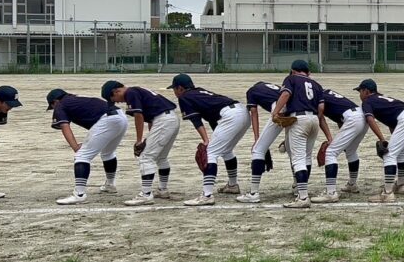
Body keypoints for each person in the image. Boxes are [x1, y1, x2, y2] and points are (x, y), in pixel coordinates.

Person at [169, 74, 250, 206]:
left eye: (174, 88)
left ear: (180, 88)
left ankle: (207, 195)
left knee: (211, 152)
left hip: (230, 116)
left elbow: (196, 121)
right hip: (242, 112)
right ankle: (233, 185)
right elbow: (213, 119)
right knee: (226, 150)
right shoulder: (199, 91)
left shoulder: (184, 97)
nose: (174, 92)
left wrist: (206, 141)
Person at [102, 81, 180, 206]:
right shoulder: (137, 90)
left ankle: (146, 194)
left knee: (145, 157)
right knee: (161, 157)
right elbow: (150, 117)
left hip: (163, 121)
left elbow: (139, 116)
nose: (118, 102)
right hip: (170, 119)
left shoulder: (130, 93)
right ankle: (162, 190)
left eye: (114, 99)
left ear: (117, 91)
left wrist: (139, 141)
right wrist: (149, 137)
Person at [49, 88, 128, 205]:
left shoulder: (60, 104)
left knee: (81, 156)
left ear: (55, 101)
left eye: (52, 106)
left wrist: (75, 147)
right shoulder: (76, 99)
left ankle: (79, 194)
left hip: (108, 120)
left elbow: (65, 127)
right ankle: (110, 185)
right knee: (108, 153)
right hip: (121, 116)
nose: (54, 109)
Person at [355, 79, 404, 203]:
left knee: (389, 154)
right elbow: (392, 121)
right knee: (401, 152)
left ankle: (387, 193)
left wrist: (381, 139)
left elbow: (370, 120)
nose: (360, 94)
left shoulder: (367, 101)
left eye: (360, 91)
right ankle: (400, 185)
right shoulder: (382, 97)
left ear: (366, 91)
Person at [269, 60, 323, 209]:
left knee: (298, 158)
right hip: (314, 119)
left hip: (299, 119)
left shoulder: (291, 78)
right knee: (306, 157)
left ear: (293, 71)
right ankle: (303, 191)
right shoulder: (317, 84)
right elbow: (321, 107)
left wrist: (275, 112)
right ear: (308, 72)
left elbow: (286, 94)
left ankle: (303, 196)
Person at [312, 88, 368, 202]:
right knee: (350, 151)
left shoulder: (314, 96)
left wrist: (330, 139)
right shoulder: (327, 92)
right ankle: (352, 184)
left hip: (352, 119)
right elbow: (339, 118)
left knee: (330, 152)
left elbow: (320, 117)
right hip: (361, 116)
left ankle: (331, 193)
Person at [237, 80, 285, 204]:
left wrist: (257, 138)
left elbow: (254, 113)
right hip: (295, 108)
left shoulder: (252, 91)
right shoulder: (274, 87)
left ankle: (253, 193)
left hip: (279, 107)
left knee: (258, 149)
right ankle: (297, 188)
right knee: (295, 151)